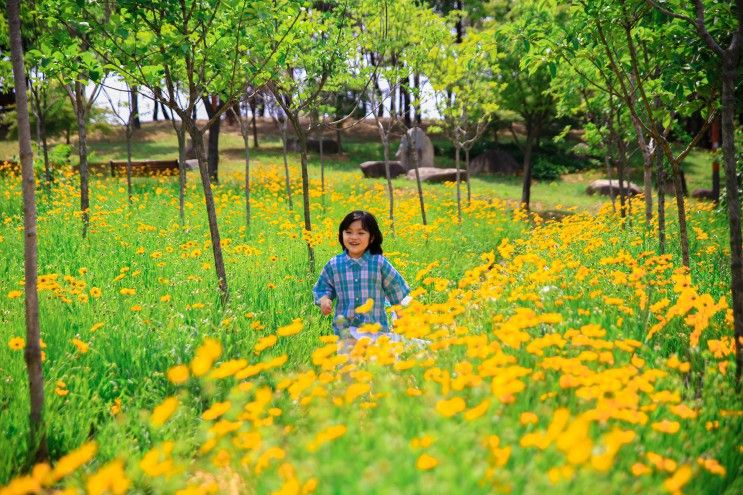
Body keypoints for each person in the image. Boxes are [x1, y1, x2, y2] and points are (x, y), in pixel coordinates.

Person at [313, 210, 411, 348]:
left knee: (374, 367)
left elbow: (395, 289)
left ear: (371, 237)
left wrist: (401, 317)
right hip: (346, 332)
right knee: (349, 367)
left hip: (376, 331)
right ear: (341, 235)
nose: (354, 237)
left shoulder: (378, 263)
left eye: (361, 233)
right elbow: (323, 288)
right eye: (348, 232)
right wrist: (324, 300)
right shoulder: (334, 264)